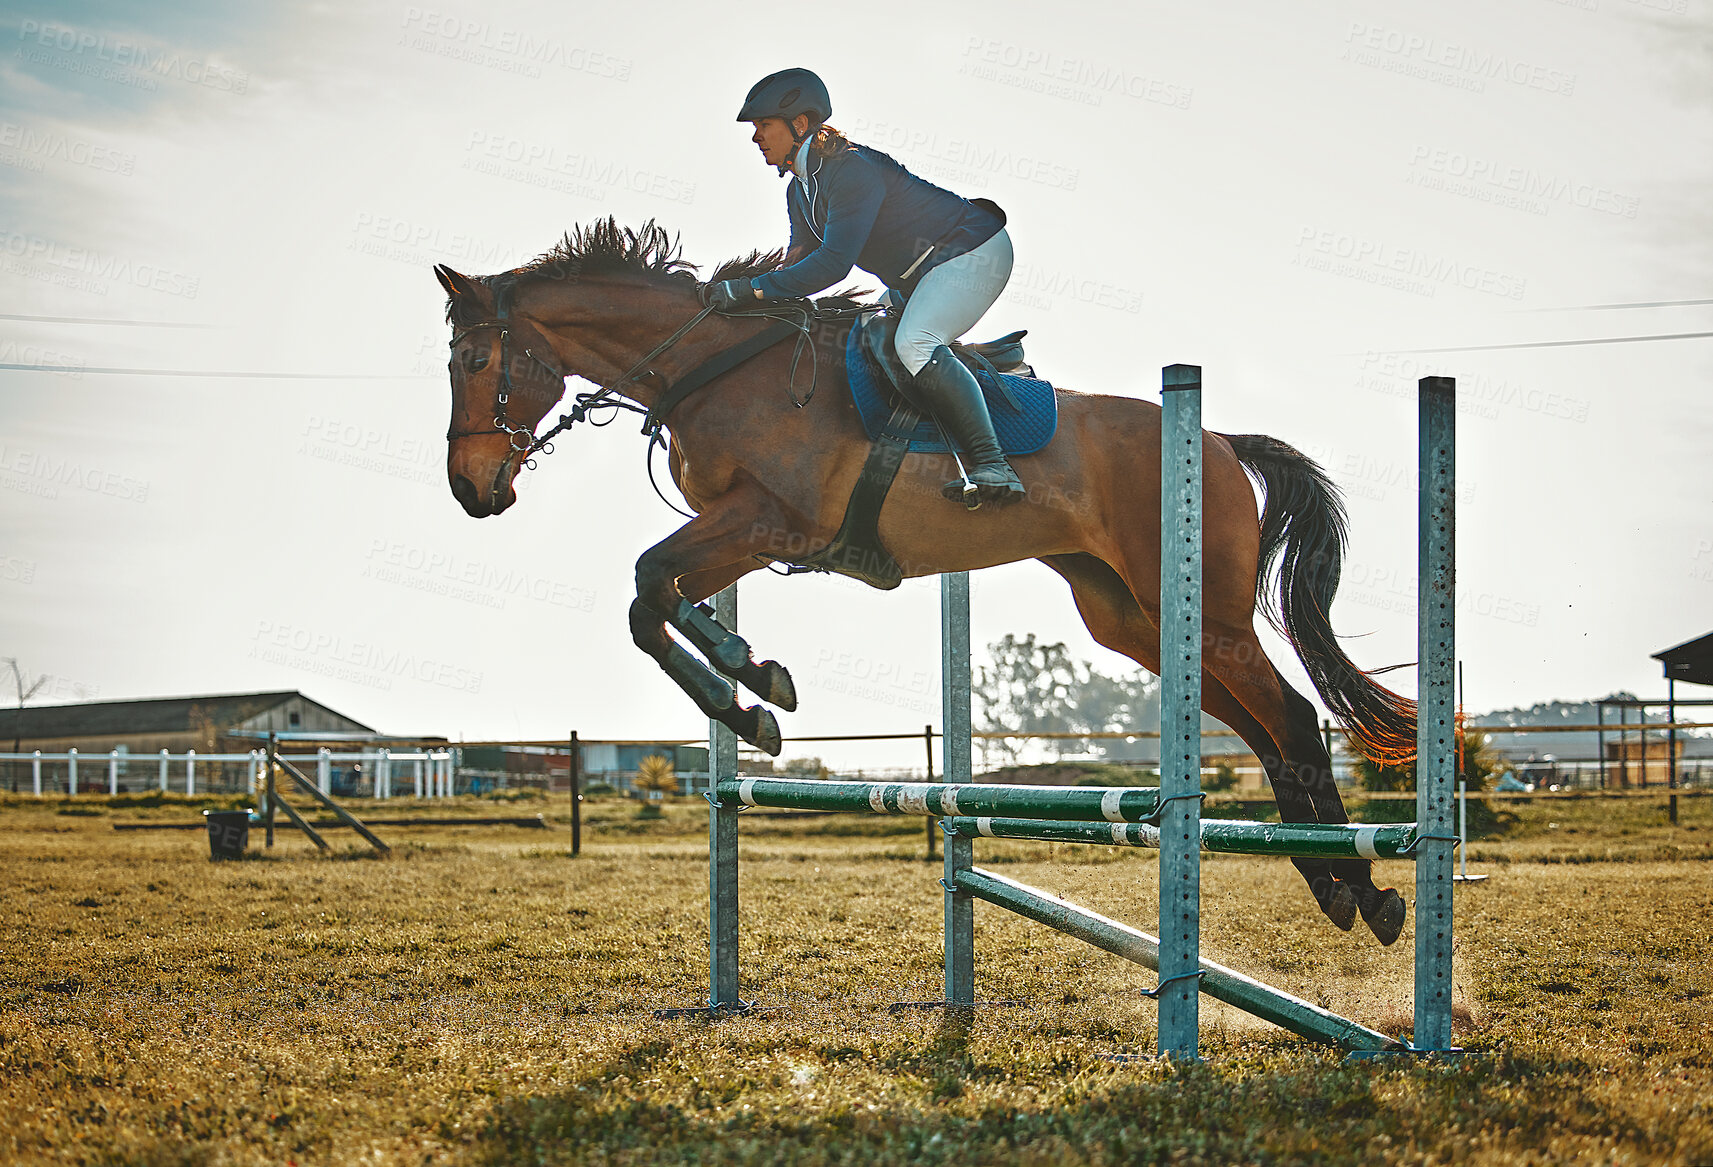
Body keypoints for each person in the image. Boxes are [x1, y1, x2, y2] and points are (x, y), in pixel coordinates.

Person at [705, 68, 1024, 504]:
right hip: (922, 275)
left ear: (800, 124)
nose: (756, 137)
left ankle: (994, 465)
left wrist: (755, 290)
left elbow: (834, 264)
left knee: (914, 343)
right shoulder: (800, 191)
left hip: (973, 252)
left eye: (763, 125)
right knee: (869, 330)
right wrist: (748, 294)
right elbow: (798, 261)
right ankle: (967, 376)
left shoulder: (850, 169)